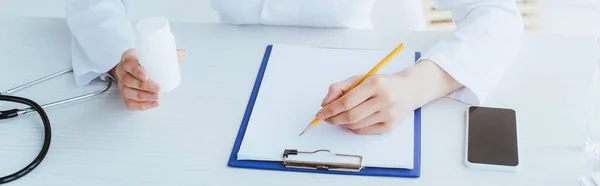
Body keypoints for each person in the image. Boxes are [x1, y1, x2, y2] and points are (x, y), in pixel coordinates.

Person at [66, 0, 524, 134]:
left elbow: (498, 16)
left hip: (353, 63)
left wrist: (414, 86)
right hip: (229, 72)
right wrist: (120, 54)